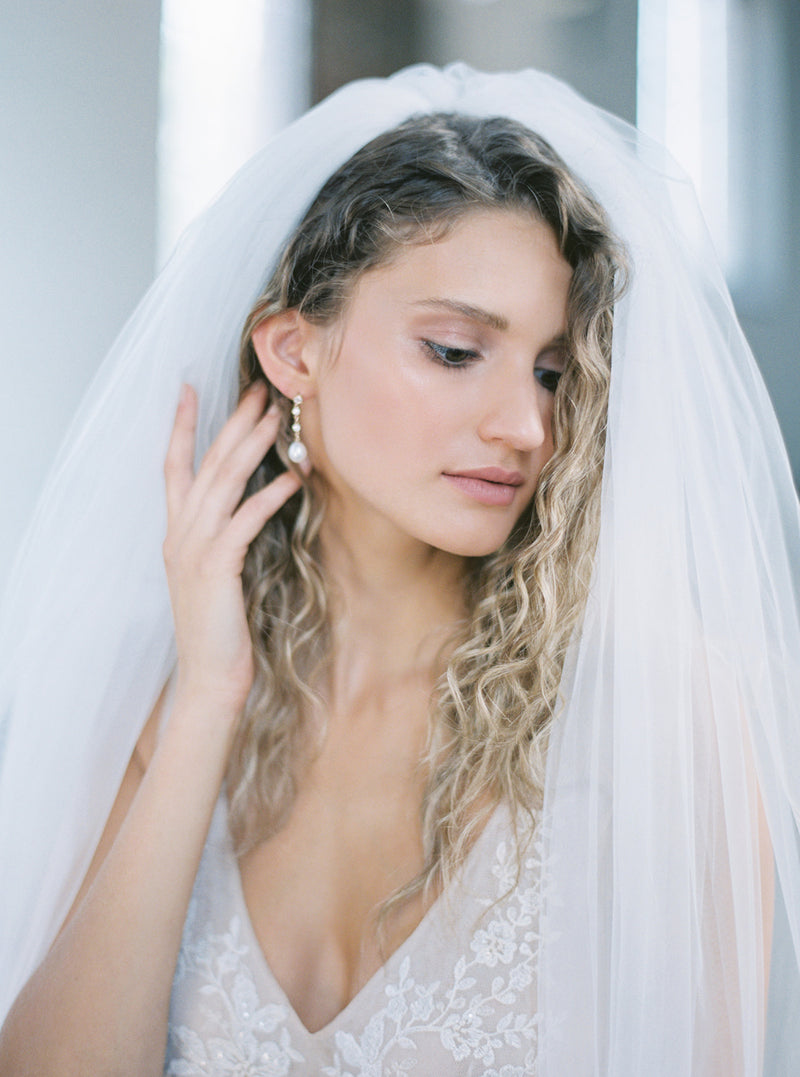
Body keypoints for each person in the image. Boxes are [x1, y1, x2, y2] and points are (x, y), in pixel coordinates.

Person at [0, 64, 798, 1077]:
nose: (524, 426)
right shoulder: (160, 702)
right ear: (292, 351)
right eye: (457, 351)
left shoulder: (662, 713)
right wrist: (209, 697)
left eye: (552, 372)